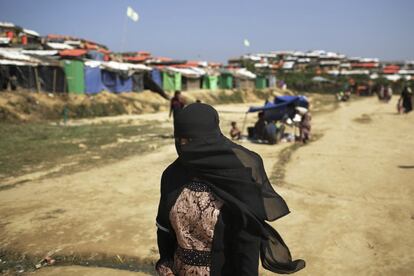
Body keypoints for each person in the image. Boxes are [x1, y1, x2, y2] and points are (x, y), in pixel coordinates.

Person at [155, 103, 305, 275]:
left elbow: (247, 242)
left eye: (190, 140)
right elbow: (164, 228)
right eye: (180, 139)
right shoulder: (173, 175)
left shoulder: (237, 174)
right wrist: (165, 263)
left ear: (208, 136)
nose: (184, 146)